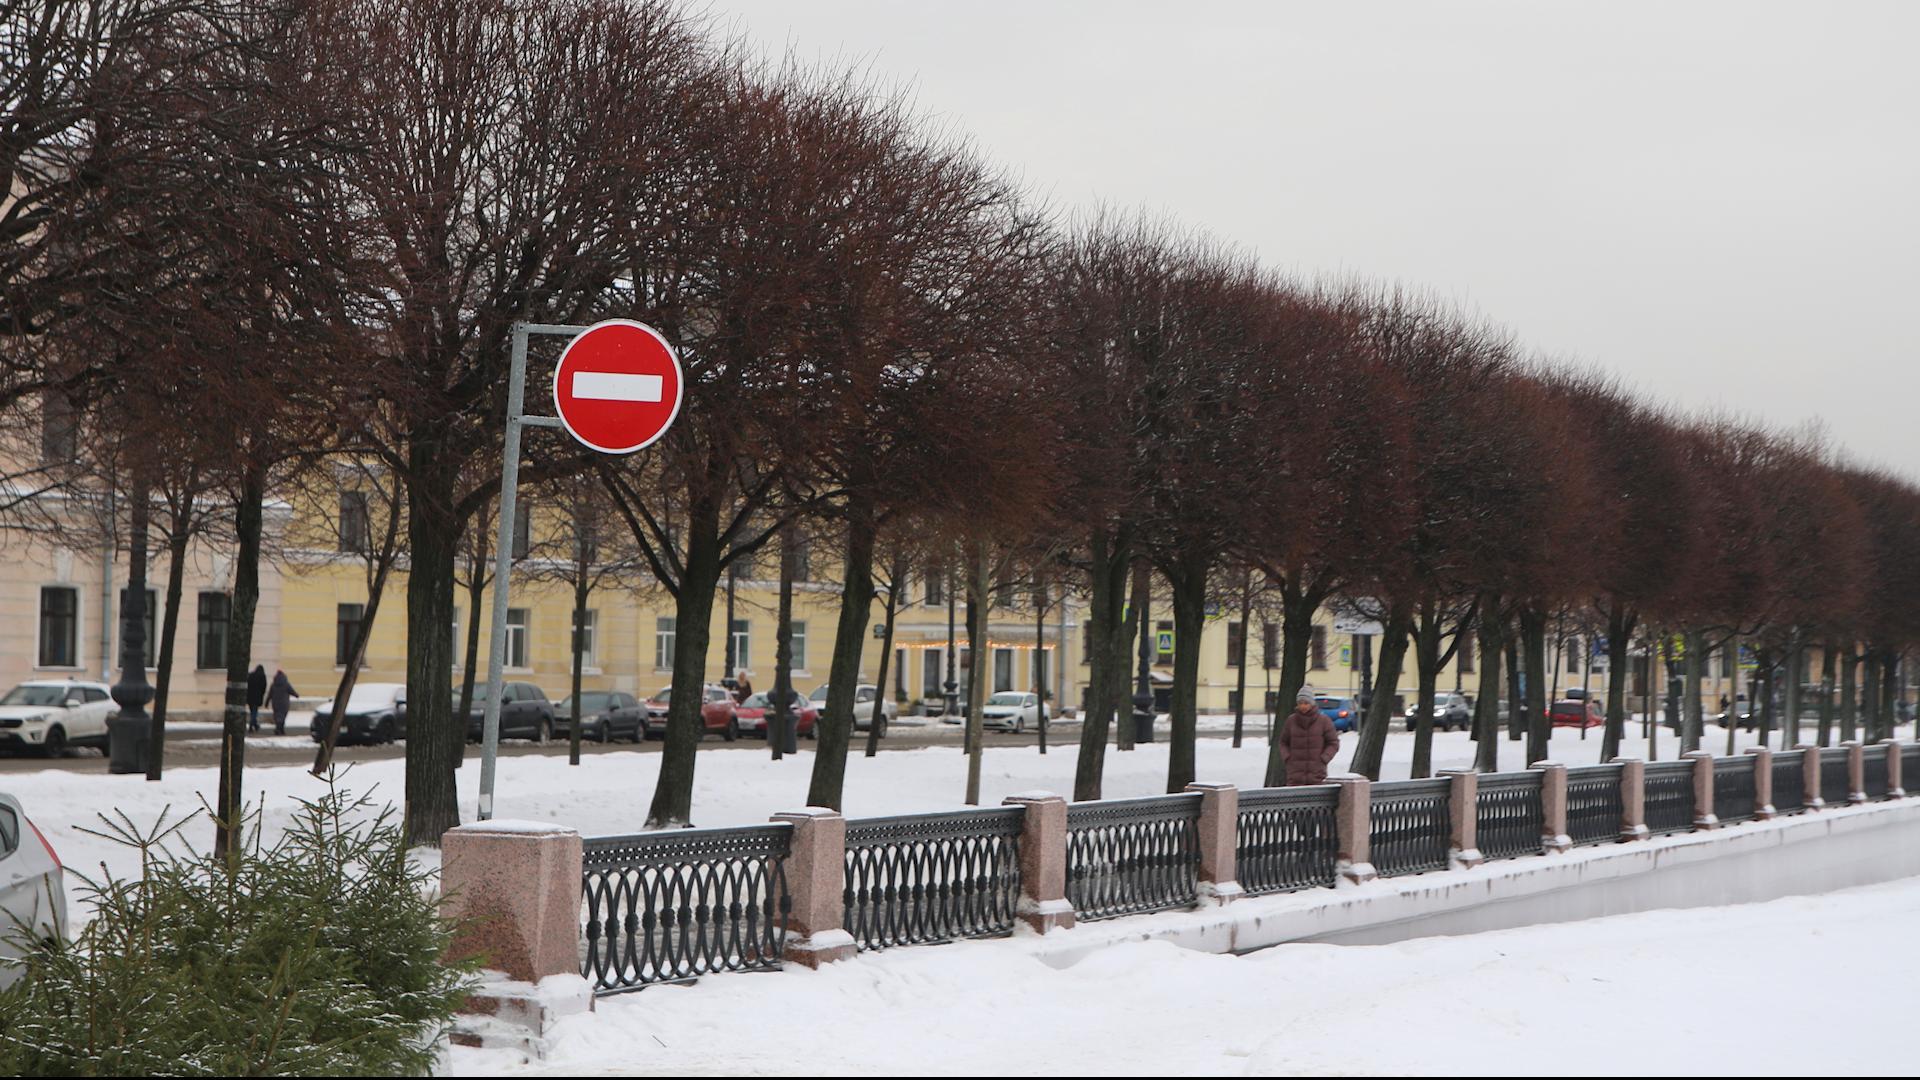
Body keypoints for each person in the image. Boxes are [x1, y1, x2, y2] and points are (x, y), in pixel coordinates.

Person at [1277, 690, 1339, 786]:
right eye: (1300, 703)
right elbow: (1283, 742)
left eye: (1306, 703)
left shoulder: (1323, 721)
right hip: (1294, 775)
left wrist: (1324, 758)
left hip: (1317, 774)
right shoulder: (1291, 721)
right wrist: (1287, 758)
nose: (1303, 706)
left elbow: (1333, 743)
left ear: (1312, 704)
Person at [268, 668, 297, 736]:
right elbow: (291, 691)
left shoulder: (273, 684)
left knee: (277, 715)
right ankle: (280, 729)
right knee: (283, 716)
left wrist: (267, 702)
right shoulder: (286, 684)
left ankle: (278, 728)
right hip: (284, 703)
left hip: (275, 703)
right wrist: (296, 695)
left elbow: (270, 694)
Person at [246, 664, 268, 733]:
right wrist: (262, 694)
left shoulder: (251, 675)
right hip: (257, 697)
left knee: (253, 712)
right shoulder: (262, 676)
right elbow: (264, 687)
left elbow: (247, 685)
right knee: (254, 712)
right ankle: (251, 726)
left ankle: (255, 725)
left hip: (249, 697)